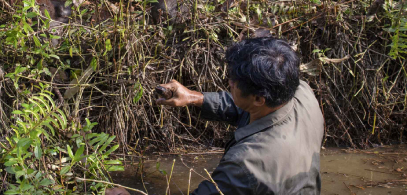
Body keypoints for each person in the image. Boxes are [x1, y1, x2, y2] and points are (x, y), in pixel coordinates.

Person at [106, 37, 325, 195]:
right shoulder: (300, 92)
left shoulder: (246, 163)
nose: (229, 82)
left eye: (234, 82)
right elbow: (246, 105)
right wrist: (193, 97)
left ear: (259, 98)